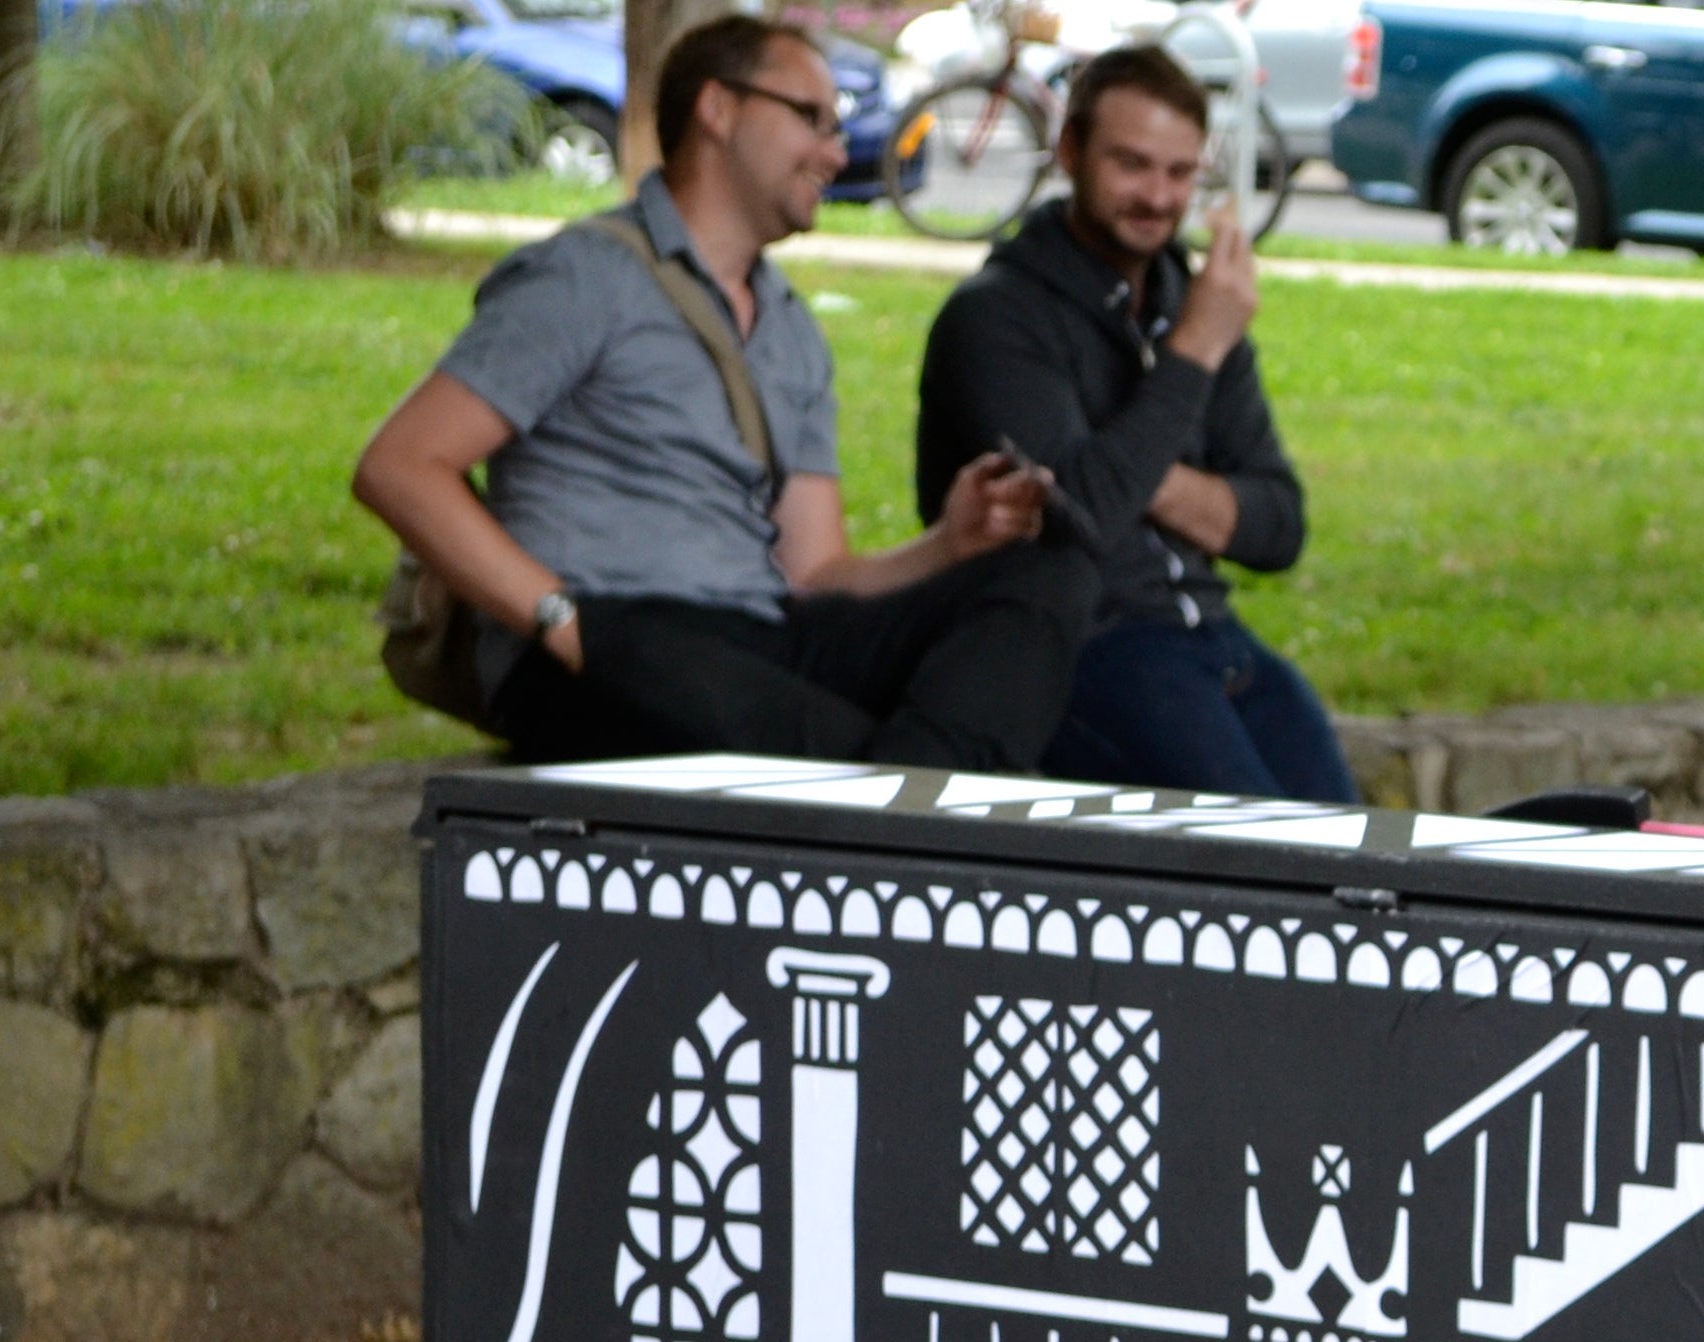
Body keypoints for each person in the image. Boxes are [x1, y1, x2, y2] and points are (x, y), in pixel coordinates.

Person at [353, 13, 1095, 768]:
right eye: (811, 118)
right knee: (843, 753)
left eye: (839, 128)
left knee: (1052, 574)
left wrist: (948, 545)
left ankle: (901, 803)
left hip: (758, 642)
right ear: (717, 108)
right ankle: (907, 809)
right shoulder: (586, 276)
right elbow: (401, 466)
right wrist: (564, 622)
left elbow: (815, 574)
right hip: (606, 642)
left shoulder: (792, 330)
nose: (835, 152)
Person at [913, 44, 1351, 805]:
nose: (1158, 196)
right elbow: (1080, 516)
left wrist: (1142, 471)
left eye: (1181, 173)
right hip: (1080, 650)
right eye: (1133, 166)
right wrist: (1193, 354)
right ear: (1070, 150)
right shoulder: (997, 316)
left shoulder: (1189, 299)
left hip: (1216, 639)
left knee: (1350, 851)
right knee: (1263, 864)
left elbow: (1279, 526)